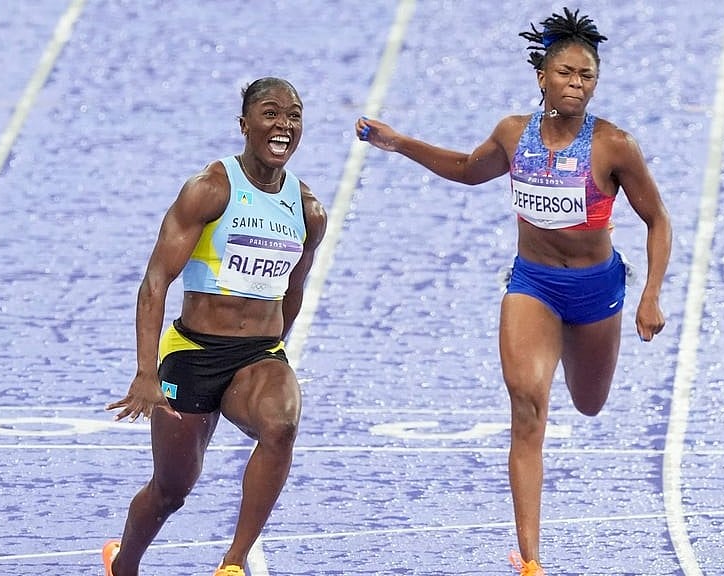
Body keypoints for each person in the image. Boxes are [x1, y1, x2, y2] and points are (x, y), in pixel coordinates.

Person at [355, 8, 671, 576]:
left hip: (597, 290)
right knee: (527, 404)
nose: (577, 85)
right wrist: (400, 143)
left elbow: (659, 221)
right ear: (542, 77)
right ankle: (530, 561)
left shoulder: (614, 146)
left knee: (589, 403)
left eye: (587, 77)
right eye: (568, 74)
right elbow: (465, 168)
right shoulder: (511, 134)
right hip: (533, 284)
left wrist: (650, 294)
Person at [103, 77, 327, 576]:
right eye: (271, 114)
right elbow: (155, 282)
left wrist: (273, 350)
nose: (283, 125)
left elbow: (294, 289)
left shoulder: (308, 210)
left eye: (294, 116)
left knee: (282, 425)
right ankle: (123, 565)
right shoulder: (210, 190)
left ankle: (232, 563)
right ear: (244, 125)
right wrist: (145, 373)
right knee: (171, 490)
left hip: (258, 356)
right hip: (193, 353)